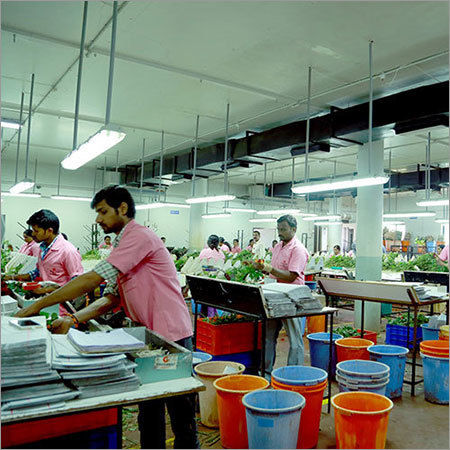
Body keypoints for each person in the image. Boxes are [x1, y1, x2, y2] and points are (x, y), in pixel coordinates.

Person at [16, 186, 198, 449]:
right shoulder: (122, 242)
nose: (98, 219)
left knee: (181, 412)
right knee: (148, 409)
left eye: (102, 211)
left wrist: (37, 306)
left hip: (171, 335)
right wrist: (74, 319)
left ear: (122, 209)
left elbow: (93, 278)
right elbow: (111, 295)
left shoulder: (140, 236)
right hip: (147, 337)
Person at [252, 215, 309, 380]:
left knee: (295, 339)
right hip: (276, 297)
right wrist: (262, 268)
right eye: (279, 229)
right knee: (268, 336)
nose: (280, 233)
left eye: (283, 229)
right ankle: (266, 373)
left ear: (293, 229)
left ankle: (294, 376)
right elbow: (274, 272)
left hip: (293, 298)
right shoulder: (277, 247)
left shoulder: (298, 249)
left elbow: (291, 276)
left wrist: (269, 268)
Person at [4, 210, 83, 303]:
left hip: (61, 305)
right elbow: (37, 272)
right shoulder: (43, 248)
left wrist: (48, 289)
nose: (33, 234)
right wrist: (12, 277)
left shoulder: (68, 251)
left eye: (36, 231)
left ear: (49, 231)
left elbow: (78, 283)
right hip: (45, 301)